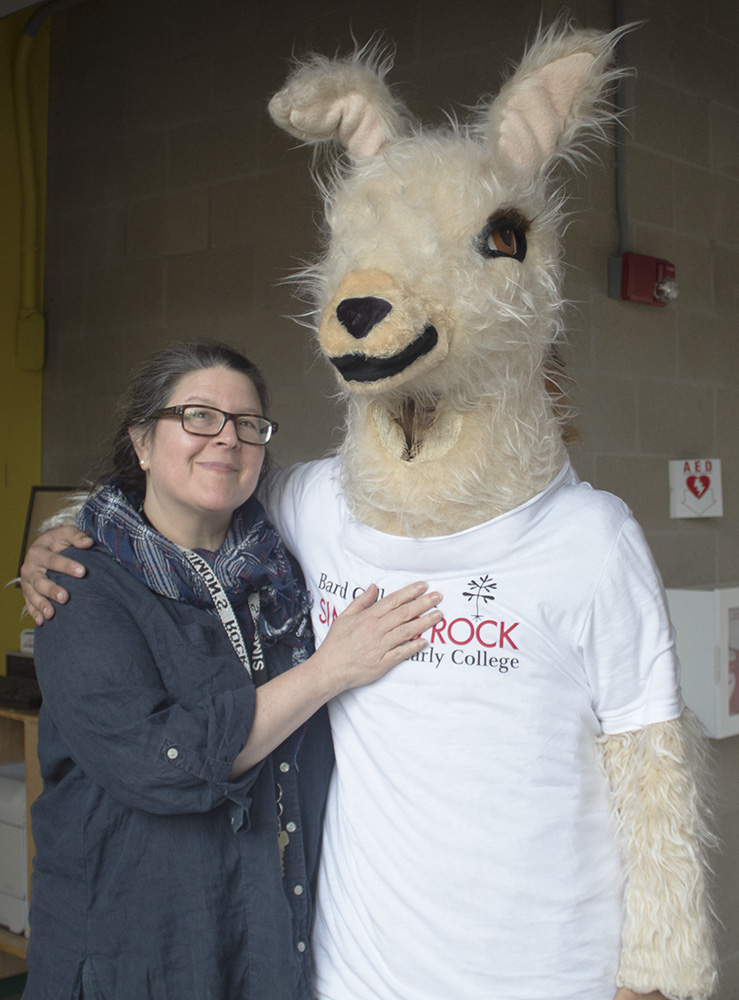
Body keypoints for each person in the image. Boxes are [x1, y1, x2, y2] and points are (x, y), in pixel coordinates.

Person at [21, 342, 441, 1000]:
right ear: (141, 442)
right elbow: (158, 761)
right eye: (197, 416)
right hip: (135, 948)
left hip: (263, 935)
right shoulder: (80, 587)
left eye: (248, 424)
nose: (225, 438)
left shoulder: (283, 568)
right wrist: (329, 671)